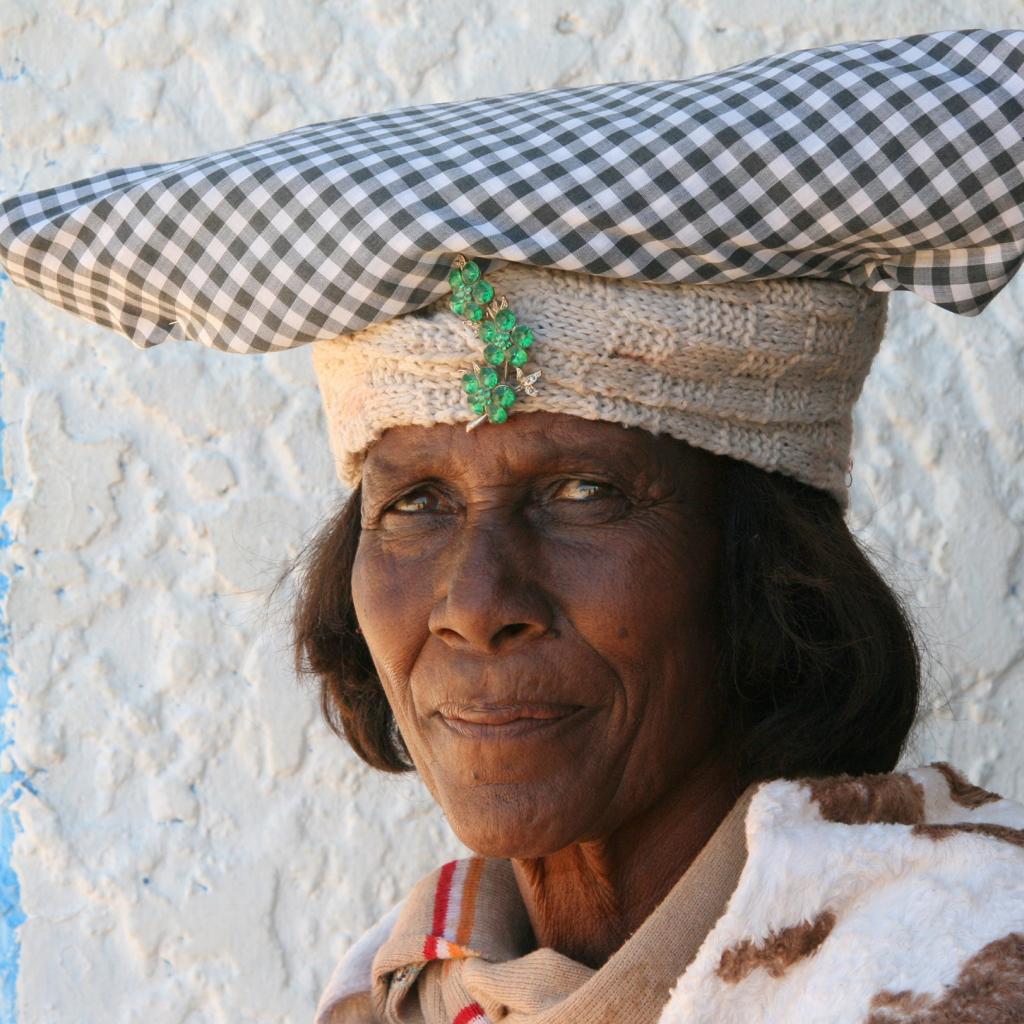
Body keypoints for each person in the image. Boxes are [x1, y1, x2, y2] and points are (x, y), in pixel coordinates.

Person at [2, 28, 1023, 1024]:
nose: (476, 605)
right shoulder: (397, 989)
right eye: (414, 504)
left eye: (581, 492)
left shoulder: (957, 963)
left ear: (768, 571)